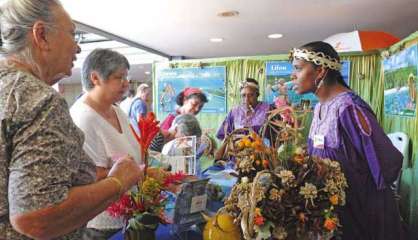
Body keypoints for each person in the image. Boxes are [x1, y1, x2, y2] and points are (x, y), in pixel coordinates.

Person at [0, 1, 142, 239]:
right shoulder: (38, 99)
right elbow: (36, 217)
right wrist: (118, 181)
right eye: (72, 34)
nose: (77, 48)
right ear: (41, 35)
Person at [290, 41, 405, 239]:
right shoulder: (319, 108)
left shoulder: (349, 109)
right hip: (332, 212)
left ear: (320, 72)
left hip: (359, 215)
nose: (293, 75)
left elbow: (387, 162)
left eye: (298, 69)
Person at [70, 49, 143, 239]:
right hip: (101, 224)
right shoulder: (83, 117)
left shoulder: (117, 111)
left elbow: (133, 154)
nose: (126, 84)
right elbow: (89, 175)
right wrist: (135, 171)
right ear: (95, 78)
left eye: (126, 77)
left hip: (128, 214)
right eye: (119, 77)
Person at [215, 78, 271, 161]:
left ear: (257, 94)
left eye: (251, 95)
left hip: (261, 159)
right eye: (243, 95)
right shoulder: (234, 112)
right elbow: (226, 135)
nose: (246, 99)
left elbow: (274, 137)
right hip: (238, 159)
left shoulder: (267, 109)